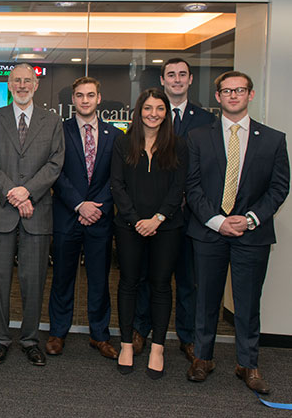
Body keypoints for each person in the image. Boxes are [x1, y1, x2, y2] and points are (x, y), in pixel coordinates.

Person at [185, 71, 289, 394]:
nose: (233, 95)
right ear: (217, 97)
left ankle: (248, 364)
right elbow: (192, 186)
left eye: (239, 90)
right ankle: (203, 358)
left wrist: (251, 219)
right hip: (209, 232)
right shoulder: (199, 137)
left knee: (247, 303)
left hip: (252, 235)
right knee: (206, 300)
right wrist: (217, 220)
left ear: (250, 95)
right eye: (227, 91)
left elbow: (279, 187)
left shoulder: (273, 139)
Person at [0, 63, 64, 366]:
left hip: (36, 212)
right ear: (9, 84)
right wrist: (13, 193)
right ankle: (0, 338)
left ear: (36, 85)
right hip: (1, 210)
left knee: (34, 280)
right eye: (17, 81)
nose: (23, 85)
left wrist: (28, 192)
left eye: (28, 81)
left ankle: (29, 339)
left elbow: (55, 163)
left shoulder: (52, 121)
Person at [133, 58, 214, 361]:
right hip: (150, 218)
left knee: (187, 279)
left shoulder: (206, 120)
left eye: (182, 75)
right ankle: (141, 330)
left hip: (191, 217)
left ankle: (187, 337)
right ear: (163, 79)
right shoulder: (150, 117)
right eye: (171, 75)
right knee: (145, 277)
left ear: (190, 79)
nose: (177, 80)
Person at [110, 88, 187, 379]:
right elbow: (117, 185)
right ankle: (127, 343)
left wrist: (156, 219)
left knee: (160, 285)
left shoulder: (178, 146)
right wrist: (135, 220)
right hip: (129, 227)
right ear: (139, 111)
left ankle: (157, 347)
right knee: (128, 283)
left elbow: (178, 188)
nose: (153, 114)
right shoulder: (122, 143)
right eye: (147, 108)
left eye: (159, 108)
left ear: (166, 113)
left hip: (167, 227)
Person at [48, 77, 122, 360]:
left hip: (100, 219)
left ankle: (100, 335)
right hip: (68, 215)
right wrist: (80, 205)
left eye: (91, 95)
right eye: (80, 95)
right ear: (74, 100)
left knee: (99, 279)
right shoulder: (60, 131)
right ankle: (57, 333)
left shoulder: (115, 135)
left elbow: (117, 177)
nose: (85, 100)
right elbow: (56, 171)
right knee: (62, 278)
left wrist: (97, 208)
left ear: (99, 98)